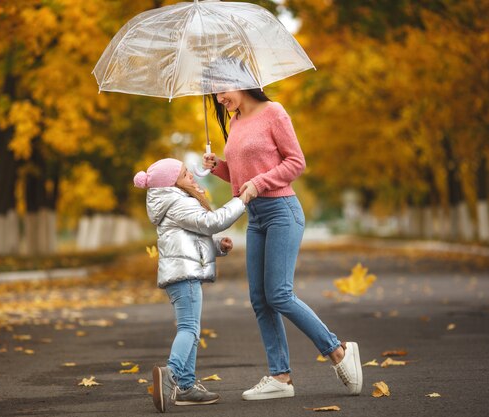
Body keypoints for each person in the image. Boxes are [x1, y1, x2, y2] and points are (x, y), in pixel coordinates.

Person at [202, 88, 363, 400]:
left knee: (279, 294)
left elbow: (295, 163)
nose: (220, 100)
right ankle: (280, 376)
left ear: (241, 82)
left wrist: (259, 183)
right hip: (256, 217)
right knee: (260, 299)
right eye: (214, 96)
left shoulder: (273, 112)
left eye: (221, 92)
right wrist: (218, 166)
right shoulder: (234, 122)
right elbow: (242, 178)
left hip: (281, 212)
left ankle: (338, 351)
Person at [133, 158, 245, 412]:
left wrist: (218, 247)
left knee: (191, 331)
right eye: (185, 174)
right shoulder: (177, 201)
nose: (192, 177)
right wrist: (242, 200)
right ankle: (171, 373)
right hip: (184, 276)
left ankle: (186, 386)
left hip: (181, 273)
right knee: (189, 329)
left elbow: (190, 240)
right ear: (173, 182)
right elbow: (211, 223)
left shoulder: (172, 201)